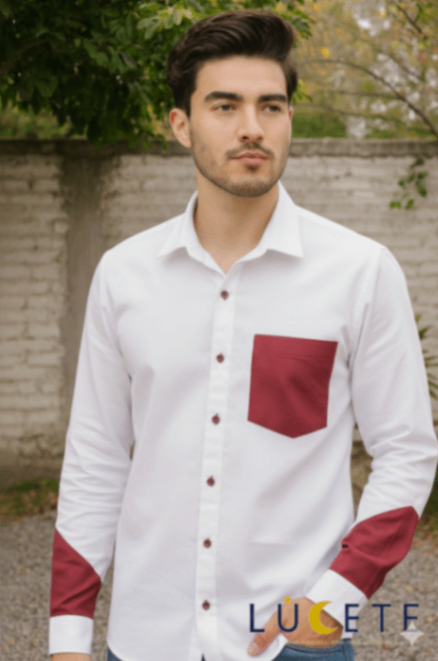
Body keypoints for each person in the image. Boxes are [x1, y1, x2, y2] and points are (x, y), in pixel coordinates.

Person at [49, 9, 438, 661]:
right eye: (225, 106)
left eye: (271, 106)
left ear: (289, 119)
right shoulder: (124, 274)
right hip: (147, 639)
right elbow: (96, 457)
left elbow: (407, 450)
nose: (252, 127)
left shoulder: (360, 272)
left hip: (291, 642)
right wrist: (68, 637)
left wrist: (336, 600)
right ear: (181, 124)